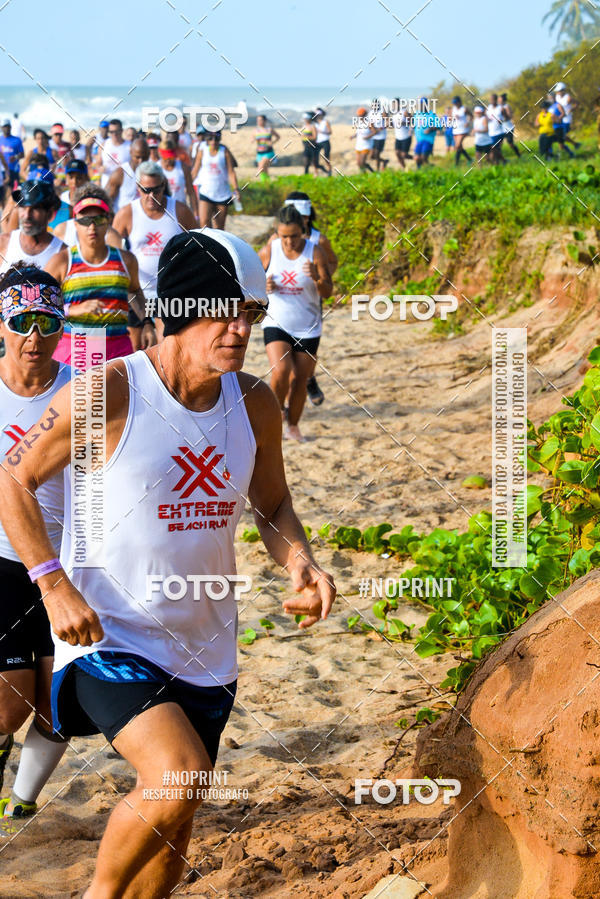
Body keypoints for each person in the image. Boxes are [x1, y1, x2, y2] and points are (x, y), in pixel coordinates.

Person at [0, 227, 335, 896]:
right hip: (109, 635)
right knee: (179, 773)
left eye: (251, 313)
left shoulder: (255, 403)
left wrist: (302, 562)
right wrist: (53, 585)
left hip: (207, 648)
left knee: (173, 827)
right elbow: (12, 478)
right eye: (223, 310)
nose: (239, 329)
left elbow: (272, 504)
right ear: (180, 311)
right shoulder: (111, 391)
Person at [0, 263, 71, 833]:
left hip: (72, 563)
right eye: (19, 321)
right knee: (8, 707)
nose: (33, 337)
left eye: (46, 322)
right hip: (3, 559)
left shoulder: (84, 391)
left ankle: (19, 802)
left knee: (61, 700)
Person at [46, 184, 152, 364]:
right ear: (75, 223)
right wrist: (73, 310)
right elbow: (41, 304)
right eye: (85, 220)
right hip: (74, 354)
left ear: (108, 220)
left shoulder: (126, 260)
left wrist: (148, 323)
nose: (92, 227)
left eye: (99, 219)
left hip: (116, 353)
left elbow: (135, 292)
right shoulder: (62, 262)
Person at [259, 205, 332, 441]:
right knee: (281, 371)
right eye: (284, 236)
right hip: (277, 322)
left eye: (293, 236)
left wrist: (316, 277)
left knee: (300, 379)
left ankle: (293, 426)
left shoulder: (315, 252)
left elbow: (328, 292)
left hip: (308, 326)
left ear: (303, 231)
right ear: (277, 233)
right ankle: (274, 416)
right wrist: (264, 287)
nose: (289, 242)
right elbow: (250, 284)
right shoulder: (270, 250)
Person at [113, 160, 196, 346]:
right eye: (145, 190)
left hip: (170, 293)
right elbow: (112, 254)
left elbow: (199, 248)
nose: (151, 195)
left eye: (156, 190)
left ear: (163, 185)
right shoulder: (127, 213)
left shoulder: (180, 211)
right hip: (137, 293)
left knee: (164, 347)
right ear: (137, 187)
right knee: (137, 349)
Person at [283, 192, 337, 408]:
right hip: (284, 299)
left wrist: (322, 275)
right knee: (284, 354)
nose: (302, 220)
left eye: (304, 216)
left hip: (311, 298)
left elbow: (332, 261)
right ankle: (288, 396)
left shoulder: (318, 239)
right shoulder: (278, 240)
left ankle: (309, 378)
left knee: (308, 349)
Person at [0, 181, 64, 274]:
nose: (27, 215)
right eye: (23, 207)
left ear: (49, 214)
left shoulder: (63, 253)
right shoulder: (3, 243)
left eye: (35, 208)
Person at [190, 131, 239, 229]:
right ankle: (205, 244)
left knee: (219, 227)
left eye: (216, 138)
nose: (213, 141)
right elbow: (195, 170)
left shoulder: (224, 151)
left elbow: (231, 171)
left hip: (222, 194)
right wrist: (188, 185)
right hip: (206, 192)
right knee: (204, 223)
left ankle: (216, 244)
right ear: (206, 140)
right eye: (210, 138)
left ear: (219, 139)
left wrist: (236, 189)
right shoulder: (202, 151)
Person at [105, 136, 149, 213]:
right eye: (137, 157)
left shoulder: (154, 172)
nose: (140, 161)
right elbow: (106, 200)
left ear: (148, 154)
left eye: (144, 157)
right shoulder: (120, 173)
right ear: (131, 153)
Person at [160, 138, 197, 218]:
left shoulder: (184, 167)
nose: (169, 160)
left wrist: (196, 214)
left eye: (171, 157)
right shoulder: (156, 168)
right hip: (162, 212)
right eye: (166, 158)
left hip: (180, 210)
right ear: (161, 155)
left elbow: (191, 192)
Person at [99, 119, 131, 188]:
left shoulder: (129, 146)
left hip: (123, 185)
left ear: (122, 130)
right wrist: (100, 168)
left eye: (117, 131)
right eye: (111, 132)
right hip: (106, 185)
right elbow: (98, 163)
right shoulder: (104, 145)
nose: (114, 134)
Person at [554, 82, 580, 151]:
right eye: (557, 91)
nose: (558, 92)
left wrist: (571, 109)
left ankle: (563, 150)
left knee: (562, 135)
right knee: (560, 135)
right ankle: (575, 144)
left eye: (559, 91)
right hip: (560, 118)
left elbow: (577, 103)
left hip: (567, 119)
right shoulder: (557, 96)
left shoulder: (568, 98)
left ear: (563, 90)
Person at [413, 98, 437, 169]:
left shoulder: (432, 114)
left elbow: (438, 126)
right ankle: (419, 170)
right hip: (419, 140)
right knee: (417, 158)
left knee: (424, 158)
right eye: (421, 104)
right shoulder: (416, 114)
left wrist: (430, 129)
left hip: (428, 140)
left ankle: (433, 169)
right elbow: (413, 125)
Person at [0, 119, 24, 190]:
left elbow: (22, 154)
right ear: (1, 128)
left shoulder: (17, 140)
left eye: (8, 126)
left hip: (14, 170)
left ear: (10, 127)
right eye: (4, 127)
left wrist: (15, 157)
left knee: (14, 192)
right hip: (2, 171)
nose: (6, 128)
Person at [254, 114, 280, 180]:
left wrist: (272, 142)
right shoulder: (255, 130)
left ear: (265, 121)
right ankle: (267, 184)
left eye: (260, 120)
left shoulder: (269, 129)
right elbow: (254, 139)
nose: (258, 122)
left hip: (268, 152)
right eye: (257, 120)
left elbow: (278, 137)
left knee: (260, 169)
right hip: (259, 153)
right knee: (264, 170)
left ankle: (266, 184)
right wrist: (253, 140)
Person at [353, 107, 376, 172]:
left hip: (367, 145)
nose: (360, 117)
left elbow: (374, 132)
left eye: (361, 115)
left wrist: (368, 137)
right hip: (359, 145)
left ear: (365, 115)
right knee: (359, 163)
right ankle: (365, 175)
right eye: (359, 115)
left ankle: (372, 172)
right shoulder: (359, 123)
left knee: (362, 162)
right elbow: (357, 132)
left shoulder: (369, 123)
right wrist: (352, 136)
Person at [369, 99, 388, 171]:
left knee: (377, 154)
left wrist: (381, 128)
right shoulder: (371, 113)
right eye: (373, 105)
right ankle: (384, 161)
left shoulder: (382, 113)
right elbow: (370, 123)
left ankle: (377, 170)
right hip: (373, 136)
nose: (374, 106)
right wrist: (373, 130)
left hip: (381, 137)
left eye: (376, 105)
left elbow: (387, 123)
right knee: (371, 156)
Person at [500, 93, 521, 158]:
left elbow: (509, 116)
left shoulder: (506, 106)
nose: (498, 101)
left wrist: (503, 116)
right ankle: (500, 158)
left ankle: (519, 155)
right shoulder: (498, 107)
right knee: (499, 145)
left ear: (503, 100)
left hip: (508, 128)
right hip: (501, 129)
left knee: (510, 144)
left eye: (499, 99)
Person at [392, 100, 412, 168]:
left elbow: (412, 121)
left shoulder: (404, 112)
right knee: (397, 153)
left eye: (395, 104)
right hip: (398, 137)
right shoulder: (394, 114)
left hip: (406, 136)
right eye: (393, 104)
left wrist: (404, 123)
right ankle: (404, 168)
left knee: (404, 155)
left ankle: (416, 159)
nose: (394, 106)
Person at [486, 94, 506, 165]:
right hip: (490, 132)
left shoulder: (501, 108)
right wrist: (487, 119)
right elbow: (486, 117)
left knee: (493, 148)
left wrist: (501, 120)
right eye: (490, 99)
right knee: (495, 150)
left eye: (493, 99)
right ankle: (502, 161)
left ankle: (497, 163)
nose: (491, 101)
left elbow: (506, 118)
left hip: (499, 132)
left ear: (496, 100)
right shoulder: (488, 108)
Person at [452, 96, 471, 166]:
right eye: (454, 103)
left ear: (459, 102)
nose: (455, 104)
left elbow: (471, 116)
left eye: (456, 103)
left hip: (463, 130)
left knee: (457, 146)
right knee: (459, 147)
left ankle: (456, 164)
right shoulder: (453, 109)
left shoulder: (464, 109)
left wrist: (468, 122)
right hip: (455, 130)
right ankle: (470, 159)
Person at [313, 108, 332, 175]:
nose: (318, 116)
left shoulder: (325, 122)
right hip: (317, 142)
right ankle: (316, 173)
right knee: (315, 158)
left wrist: (322, 132)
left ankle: (329, 171)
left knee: (326, 157)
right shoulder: (314, 124)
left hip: (325, 141)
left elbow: (330, 132)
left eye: (319, 115)